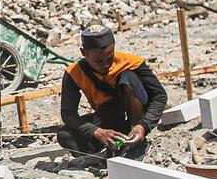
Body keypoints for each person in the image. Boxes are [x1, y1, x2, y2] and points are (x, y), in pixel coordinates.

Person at [57, 26, 168, 160]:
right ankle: (103, 153)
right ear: (83, 52)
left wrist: (143, 125)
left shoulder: (131, 62)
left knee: (128, 78)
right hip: (108, 118)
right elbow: (68, 114)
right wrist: (96, 131)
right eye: (98, 61)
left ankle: (137, 142)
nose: (105, 65)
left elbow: (159, 96)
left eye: (110, 59)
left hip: (136, 118)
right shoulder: (74, 73)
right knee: (65, 135)